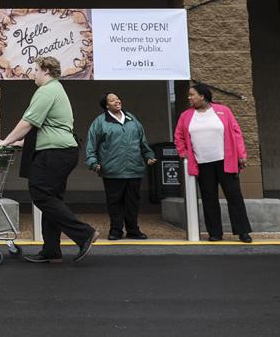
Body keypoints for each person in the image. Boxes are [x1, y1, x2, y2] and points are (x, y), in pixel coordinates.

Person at [0, 56, 98, 263]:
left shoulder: (47, 90)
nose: (33, 73)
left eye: (35, 69)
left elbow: (27, 123)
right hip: (62, 151)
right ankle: (51, 250)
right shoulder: (56, 90)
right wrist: (19, 144)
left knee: (40, 194)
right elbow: (50, 128)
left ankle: (84, 233)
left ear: (46, 71)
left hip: (54, 153)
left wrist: (5, 142)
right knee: (51, 199)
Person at [174, 82, 253, 243]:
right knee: (209, 199)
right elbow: (179, 137)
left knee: (234, 197)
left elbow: (236, 133)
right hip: (202, 164)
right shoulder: (186, 116)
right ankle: (215, 233)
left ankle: (242, 232)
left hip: (226, 161)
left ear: (202, 96)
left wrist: (241, 155)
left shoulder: (223, 111)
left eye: (192, 95)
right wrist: (184, 154)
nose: (189, 98)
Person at [85, 92, 157, 240]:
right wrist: (93, 162)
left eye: (118, 98)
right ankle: (116, 230)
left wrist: (148, 156)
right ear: (107, 106)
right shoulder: (100, 122)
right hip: (112, 170)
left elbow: (142, 141)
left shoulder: (132, 119)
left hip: (134, 169)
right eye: (112, 100)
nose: (117, 101)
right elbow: (91, 144)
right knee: (114, 202)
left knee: (133, 202)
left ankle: (133, 230)